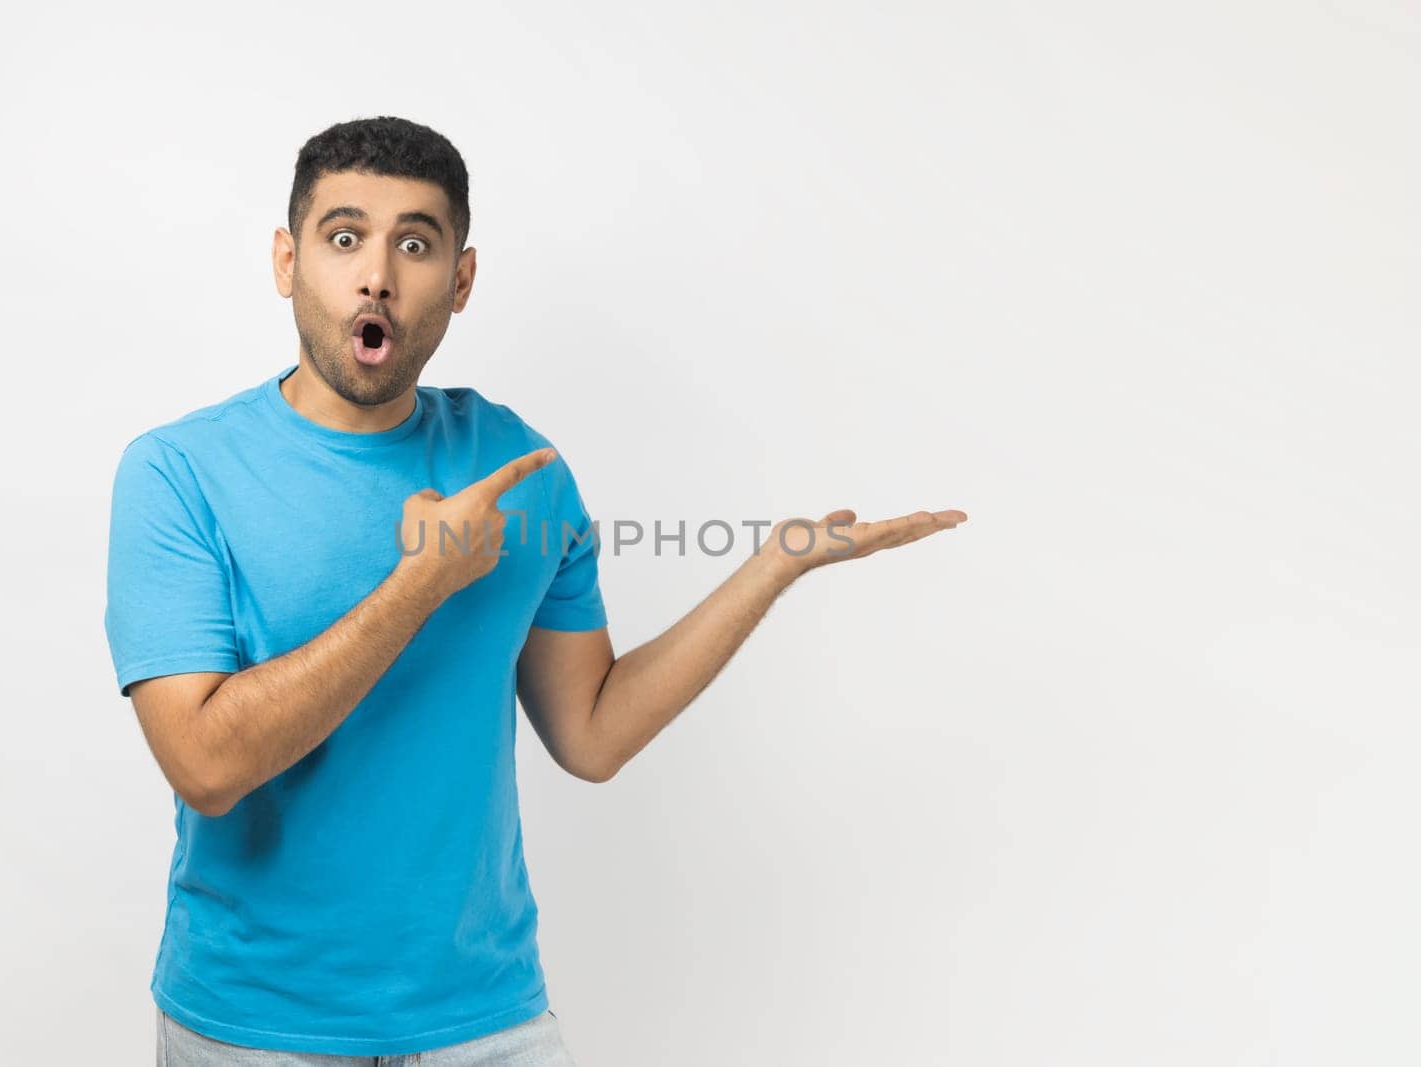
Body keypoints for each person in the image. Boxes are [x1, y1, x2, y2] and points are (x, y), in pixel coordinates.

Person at [105, 115, 966, 1065]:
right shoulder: (179, 472)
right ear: (287, 261)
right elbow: (204, 765)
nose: (377, 273)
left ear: (461, 281)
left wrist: (775, 565)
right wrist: (420, 585)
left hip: (489, 1018)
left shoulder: (521, 467)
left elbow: (592, 733)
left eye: (416, 243)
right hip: (258, 1027)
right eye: (343, 237)